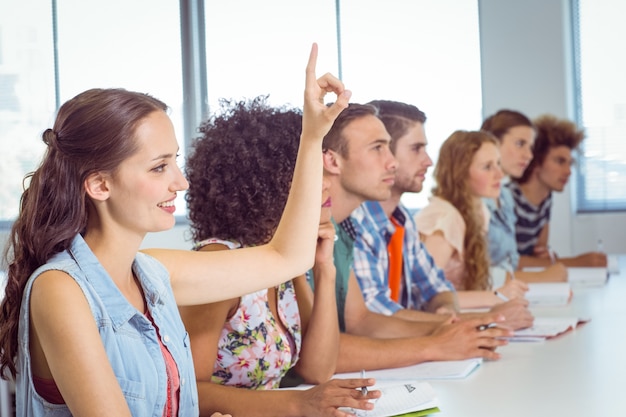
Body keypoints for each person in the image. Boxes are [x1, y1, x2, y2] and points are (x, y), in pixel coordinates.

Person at [0, 44, 369, 416]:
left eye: (175, 161)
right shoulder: (60, 290)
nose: (181, 182)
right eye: (159, 167)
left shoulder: (154, 273)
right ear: (100, 185)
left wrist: (312, 136)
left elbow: (287, 257)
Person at [180, 97, 378, 417]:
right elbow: (189, 392)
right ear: (272, 185)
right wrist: (296, 405)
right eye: (313, 172)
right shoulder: (220, 262)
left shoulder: (282, 262)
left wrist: (324, 269)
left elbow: (318, 368)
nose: (327, 183)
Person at [318, 103, 513, 373]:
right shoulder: (338, 226)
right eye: (377, 148)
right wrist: (441, 339)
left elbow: (363, 319)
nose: (392, 163)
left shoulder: (346, 228)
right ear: (331, 160)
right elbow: (318, 355)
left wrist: (450, 325)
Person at [350, 100, 533, 329]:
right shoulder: (356, 223)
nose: (428, 161)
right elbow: (373, 318)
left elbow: (438, 288)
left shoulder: (402, 219)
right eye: (416, 148)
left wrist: (445, 312)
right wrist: (486, 318)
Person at [414, 130, 529, 309]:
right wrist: (495, 296)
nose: (500, 174)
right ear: (460, 174)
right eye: (487, 167)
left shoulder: (480, 211)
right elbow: (424, 296)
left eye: (498, 164)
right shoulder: (446, 217)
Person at [481, 109, 568, 282]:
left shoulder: (504, 197)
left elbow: (510, 263)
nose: (529, 155)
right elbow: (477, 276)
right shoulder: (476, 199)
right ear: (492, 143)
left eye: (530, 147)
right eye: (520, 144)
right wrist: (542, 276)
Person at [510, 114, 607, 267]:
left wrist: (548, 258)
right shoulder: (509, 198)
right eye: (560, 161)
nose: (568, 171)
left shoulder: (546, 198)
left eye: (570, 163)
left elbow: (538, 255)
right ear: (536, 162)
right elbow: (506, 263)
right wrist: (575, 262)